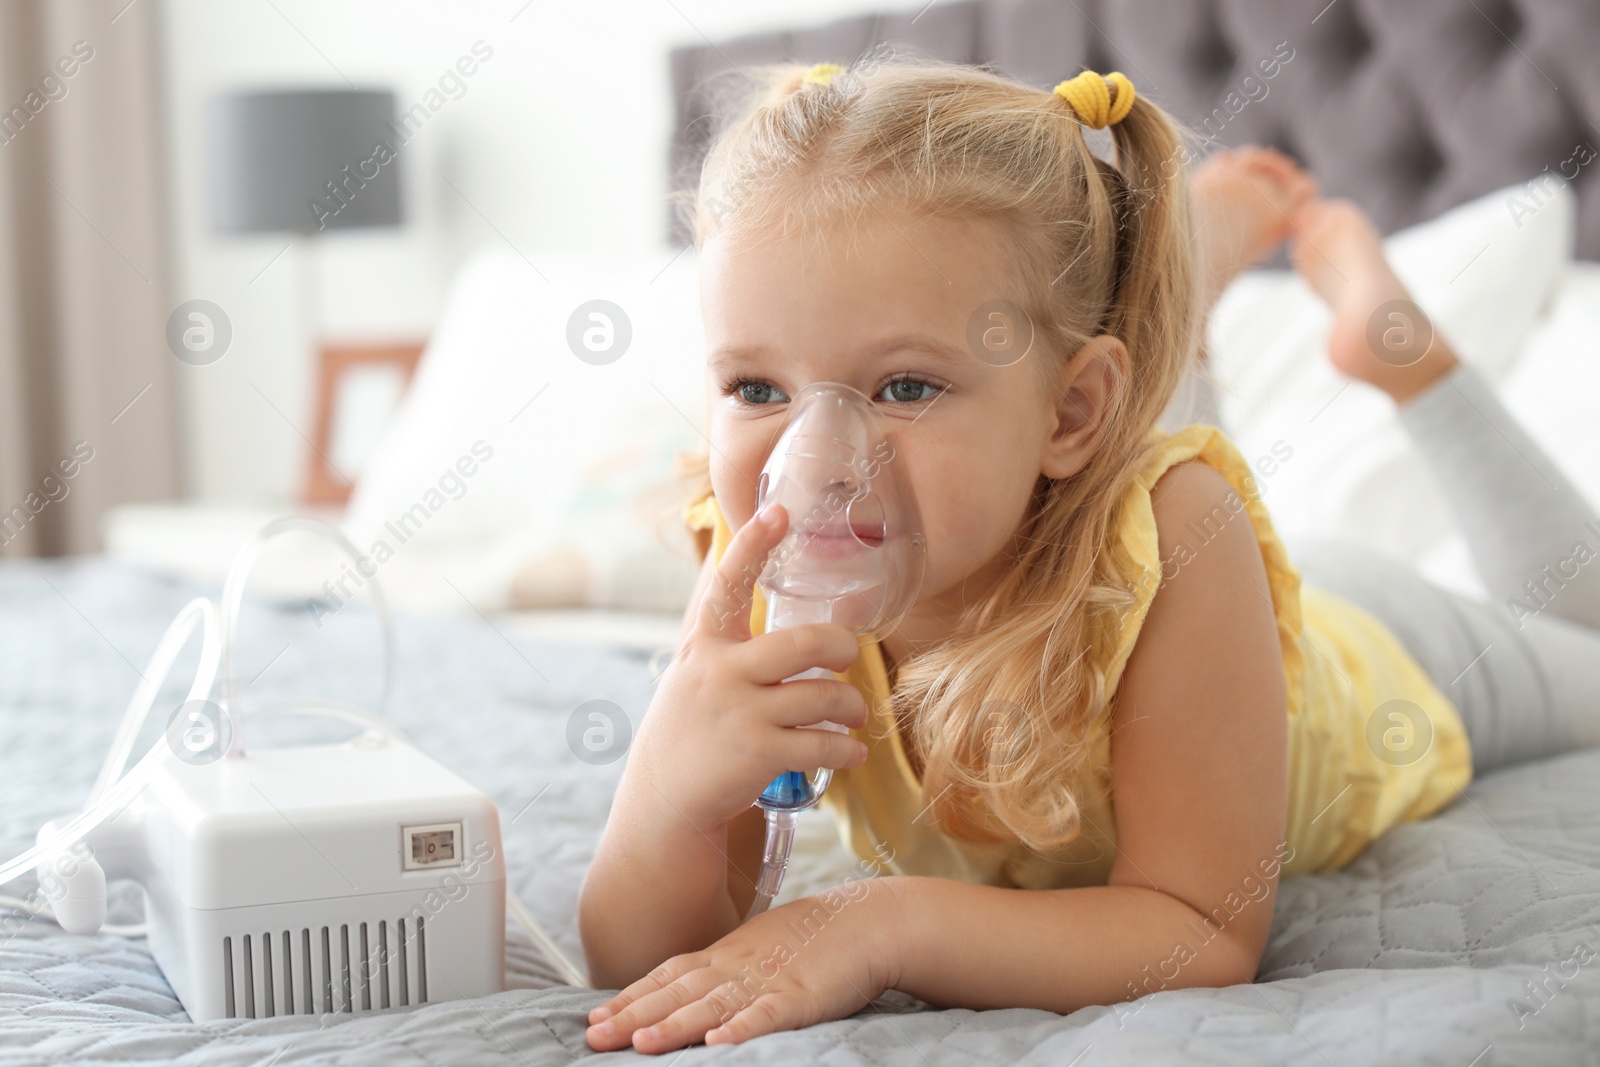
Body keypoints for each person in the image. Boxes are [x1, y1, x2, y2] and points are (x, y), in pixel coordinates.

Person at [577, 58, 1600, 1053]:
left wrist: (877, 919)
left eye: (904, 387)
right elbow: (644, 958)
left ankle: (1410, 360)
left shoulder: (1178, 534)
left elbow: (1198, 926)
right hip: (1129, 528)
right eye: (756, 389)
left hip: (1375, 654)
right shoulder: (753, 570)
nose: (817, 465)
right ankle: (1181, 317)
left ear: (1073, 409)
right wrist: (663, 792)